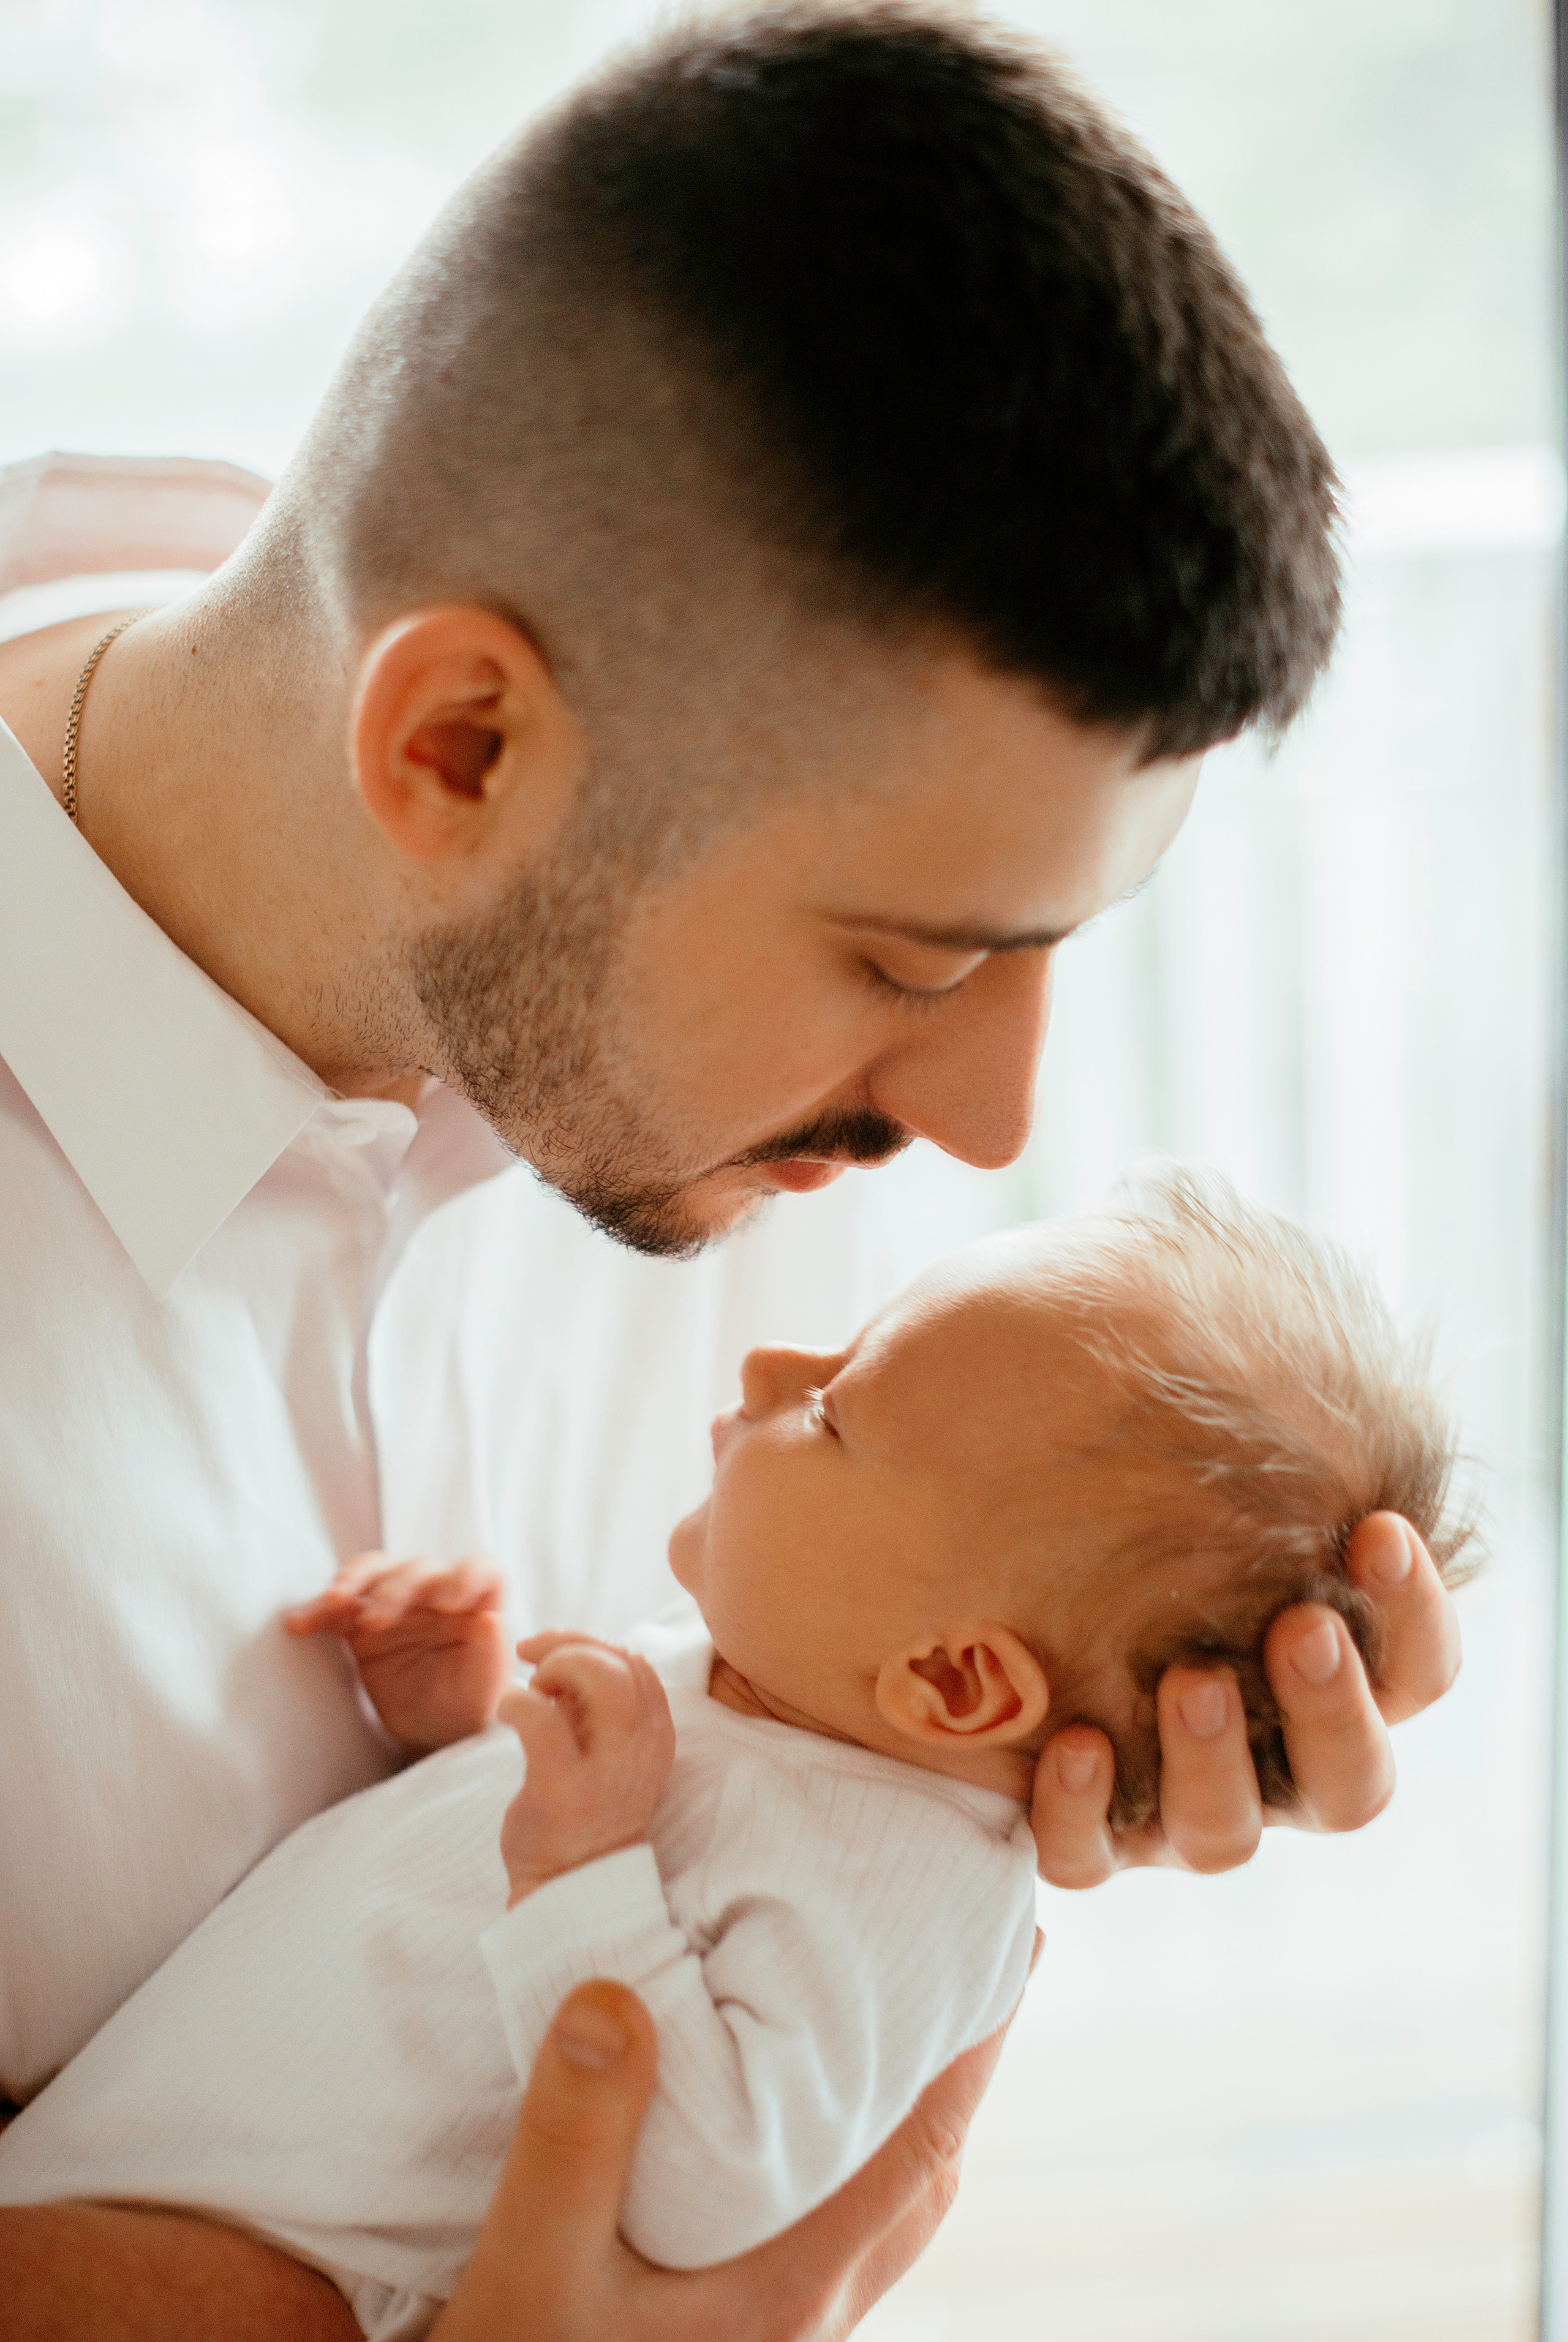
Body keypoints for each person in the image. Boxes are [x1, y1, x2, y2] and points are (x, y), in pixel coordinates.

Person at [0, 7, 1461, 2334]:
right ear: (456, 748)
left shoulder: (716, 1115)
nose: (990, 1124)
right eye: (910, 958)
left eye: (1053, 944)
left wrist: (1042, 1710)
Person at [0, 1166, 1477, 2340]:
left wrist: (577, 1861)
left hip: (281, 2256)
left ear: (953, 1678)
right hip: (144, 2158)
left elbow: (705, 2183)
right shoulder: (782, 1681)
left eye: (832, 1409)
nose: (771, 1360)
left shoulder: (907, 1884)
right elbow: (515, 1918)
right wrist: (472, 1721)